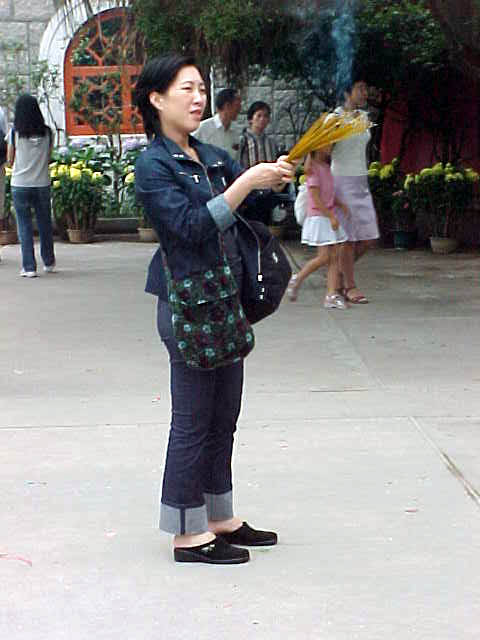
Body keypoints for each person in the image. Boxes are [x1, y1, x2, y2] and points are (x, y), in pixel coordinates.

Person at [134, 54, 296, 565]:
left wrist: (274, 181)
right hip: (186, 304)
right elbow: (191, 228)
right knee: (193, 420)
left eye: (202, 88)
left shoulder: (210, 154)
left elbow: (246, 214)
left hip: (226, 300)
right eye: (186, 88)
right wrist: (245, 182)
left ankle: (219, 517)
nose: (198, 97)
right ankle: (186, 532)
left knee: (224, 414)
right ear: (156, 98)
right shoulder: (154, 165)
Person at [330, 80, 379, 304]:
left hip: (361, 181)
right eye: (360, 88)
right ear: (347, 92)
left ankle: (340, 274)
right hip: (341, 181)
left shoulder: (364, 117)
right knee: (348, 238)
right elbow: (322, 152)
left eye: (365, 88)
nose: (365, 92)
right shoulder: (334, 119)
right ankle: (350, 286)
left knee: (369, 237)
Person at [287, 148, 349, 309]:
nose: (331, 147)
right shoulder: (313, 169)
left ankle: (331, 294)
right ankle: (298, 278)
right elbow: (315, 199)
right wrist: (331, 216)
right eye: (327, 144)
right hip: (320, 218)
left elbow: (328, 193)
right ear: (318, 146)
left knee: (334, 256)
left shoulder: (326, 167)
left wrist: (340, 205)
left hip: (327, 215)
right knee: (324, 257)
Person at [7, 94, 55, 278]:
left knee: (24, 226)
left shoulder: (14, 133)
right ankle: (49, 262)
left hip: (20, 184)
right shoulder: (48, 133)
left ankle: (29, 267)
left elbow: (10, 161)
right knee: (44, 224)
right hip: (42, 183)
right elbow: (49, 158)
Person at [238, 101, 283, 225]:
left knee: (266, 227)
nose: (262, 119)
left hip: (269, 191)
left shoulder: (270, 142)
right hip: (251, 191)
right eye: (259, 115)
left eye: (266, 116)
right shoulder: (243, 140)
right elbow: (238, 164)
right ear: (250, 119)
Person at [193, 88, 241, 159]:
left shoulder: (236, 131)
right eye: (237, 105)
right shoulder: (202, 129)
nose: (240, 108)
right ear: (227, 106)